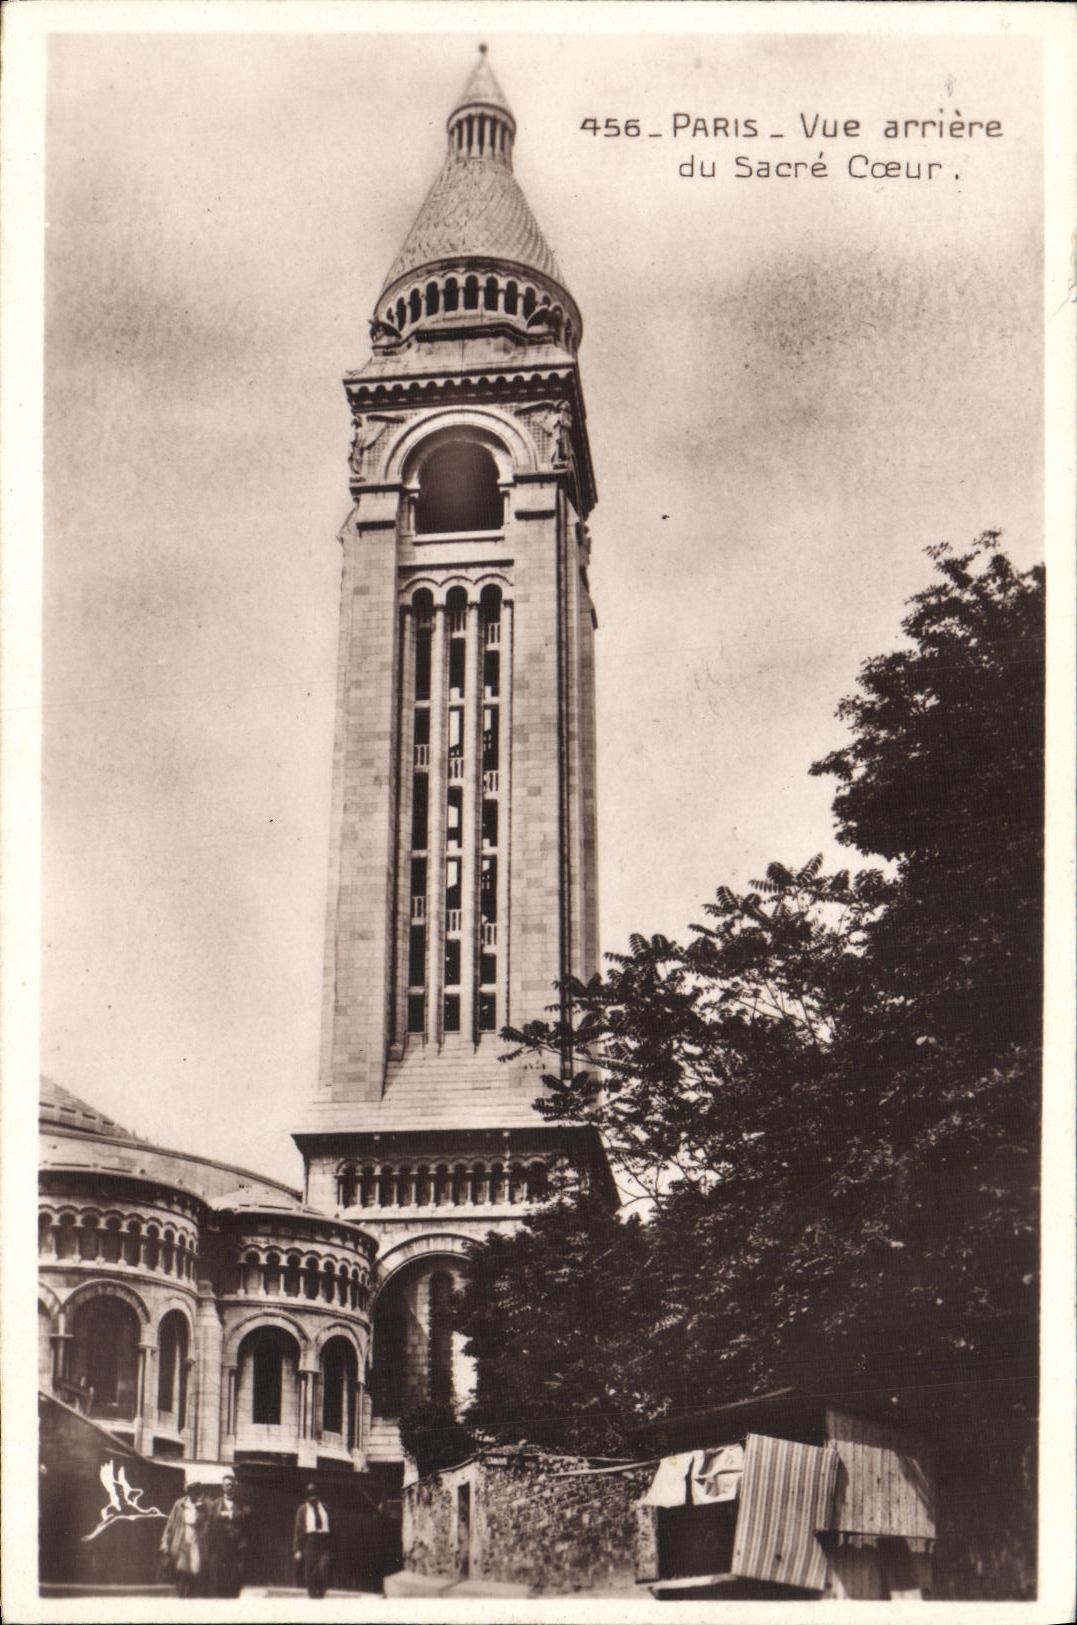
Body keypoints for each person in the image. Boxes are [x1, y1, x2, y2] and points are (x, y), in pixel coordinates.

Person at [206, 1473, 250, 1597]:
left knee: (236, 1576)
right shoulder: (215, 1504)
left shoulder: (242, 1503)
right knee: (220, 1576)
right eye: (228, 1485)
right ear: (223, 1487)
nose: (230, 1487)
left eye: (232, 1485)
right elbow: (210, 1520)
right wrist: (220, 1515)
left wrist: (230, 1514)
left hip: (237, 1546)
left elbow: (247, 1514)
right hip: (221, 1546)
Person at [160, 1481, 207, 1598]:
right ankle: (181, 1596)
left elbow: (206, 1525)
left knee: (195, 1570)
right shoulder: (179, 1504)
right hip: (181, 1540)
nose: (193, 1493)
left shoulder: (203, 1506)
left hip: (196, 1542)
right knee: (182, 1570)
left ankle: (191, 1598)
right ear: (187, 1491)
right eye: (191, 1490)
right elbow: (170, 1524)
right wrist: (165, 1542)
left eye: (196, 1490)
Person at [292, 1482, 332, 1598]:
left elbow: (332, 1527)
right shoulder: (303, 1510)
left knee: (323, 1567)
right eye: (310, 1496)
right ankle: (313, 1595)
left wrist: (332, 1545)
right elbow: (298, 1530)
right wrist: (297, 1549)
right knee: (310, 1570)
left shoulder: (325, 1508)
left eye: (315, 1495)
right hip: (310, 1541)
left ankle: (321, 1592)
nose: (313, 1499)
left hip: (324, 1540)